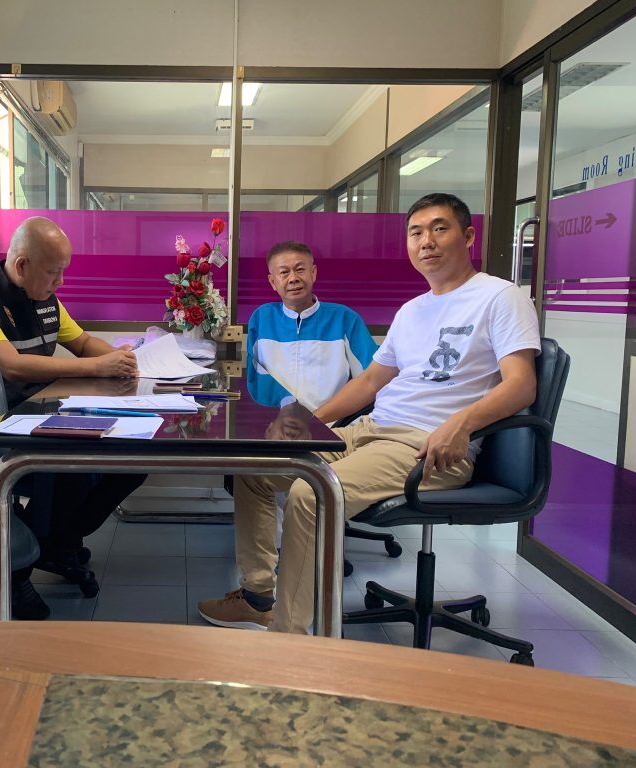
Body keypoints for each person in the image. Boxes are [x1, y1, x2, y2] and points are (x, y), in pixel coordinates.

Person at [199, 193, 541, 633]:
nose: (427, 241)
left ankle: (289, 638)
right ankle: (257, 597)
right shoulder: (413, 310)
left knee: (309, 494)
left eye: (440, 228)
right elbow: (369, 382)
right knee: (256, 469)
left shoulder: (499, 297)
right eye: (416, 233)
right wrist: (311, 424)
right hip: (369, 430)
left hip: (426, 445)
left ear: (469, 236)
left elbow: (521, 383)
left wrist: (459, 425)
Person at [0, 216, 145, 619]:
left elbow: (82, 341)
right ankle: (16, 572)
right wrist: (98, 367)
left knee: (131, 460)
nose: (60, 282)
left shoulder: (45, 298)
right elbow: (12, 366)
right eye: (54, 272)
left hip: (43, 416)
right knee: (64, 468)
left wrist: (126, 358)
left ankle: (56, 543)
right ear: (22, 266)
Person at [246, 241, 378, 410]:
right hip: (276, 420)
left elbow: (372, 377)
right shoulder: (262, 319)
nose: (293, 278)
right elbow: (255, 379)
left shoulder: (344, 319)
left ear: (313, 273)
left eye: (300, 269)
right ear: (272, 282)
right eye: (284, 272)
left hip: (332, 420)